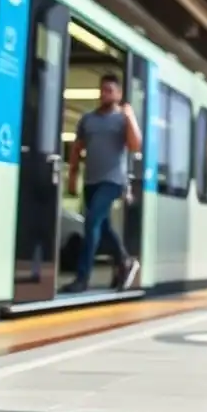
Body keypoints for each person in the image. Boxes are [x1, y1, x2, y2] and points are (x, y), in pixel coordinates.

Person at [63, 73, 142, 294]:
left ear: (118, 94)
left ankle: (82, 278)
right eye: (103, 89)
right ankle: (125, 261)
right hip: (91, 181)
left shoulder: (122, 119)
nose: (105, 93)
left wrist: (131, 117)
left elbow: (135, 145)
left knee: (91, 224)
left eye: (110, 90)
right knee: (103, 227)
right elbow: (77, 149)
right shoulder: (87, 120)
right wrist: (72, 177)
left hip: (113, 180)